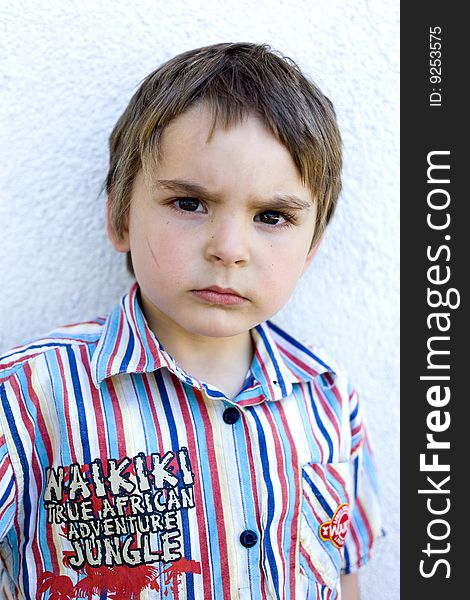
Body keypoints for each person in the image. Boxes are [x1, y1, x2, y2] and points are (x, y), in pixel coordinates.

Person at [0, 42, 382, 600]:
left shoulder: (330, 398)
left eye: (271, 216)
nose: (229, 249)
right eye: (189, 203)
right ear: (119, 218)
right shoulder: (26, 396)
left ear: (312, 248)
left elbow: (345, 576)